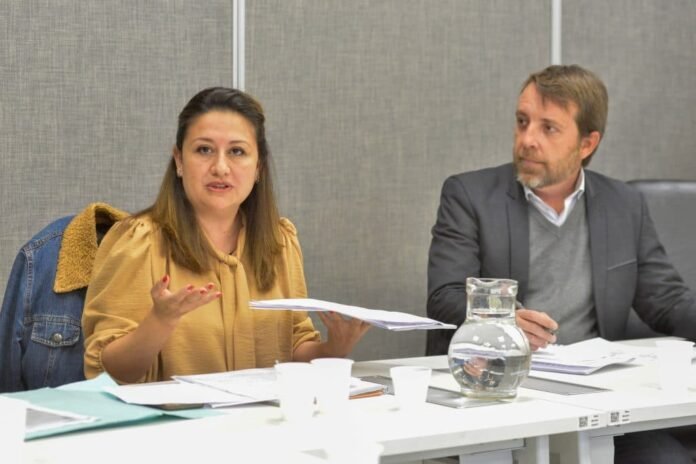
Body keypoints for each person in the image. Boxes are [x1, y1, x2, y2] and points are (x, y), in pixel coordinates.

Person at [426, 65, 696, 463]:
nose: (527, 140)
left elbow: (666, 300)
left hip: (597, 402)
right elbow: (444, 296)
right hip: (499, 395)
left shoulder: (623, 204)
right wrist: (504, 321)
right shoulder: (470, 195)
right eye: (522, 121)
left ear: (587, 143)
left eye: (548, 128)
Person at [82, 87, 370, 384]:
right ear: (179, 160)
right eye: (204, 150)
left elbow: (294, 347)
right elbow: (108, 373)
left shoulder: (279, 242)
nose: (220, 168)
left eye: (237, 152)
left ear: (258, 167)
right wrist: (161, 321)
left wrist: (334, 348)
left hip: (264, 413)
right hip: (179, 414)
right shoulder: (138, 241)